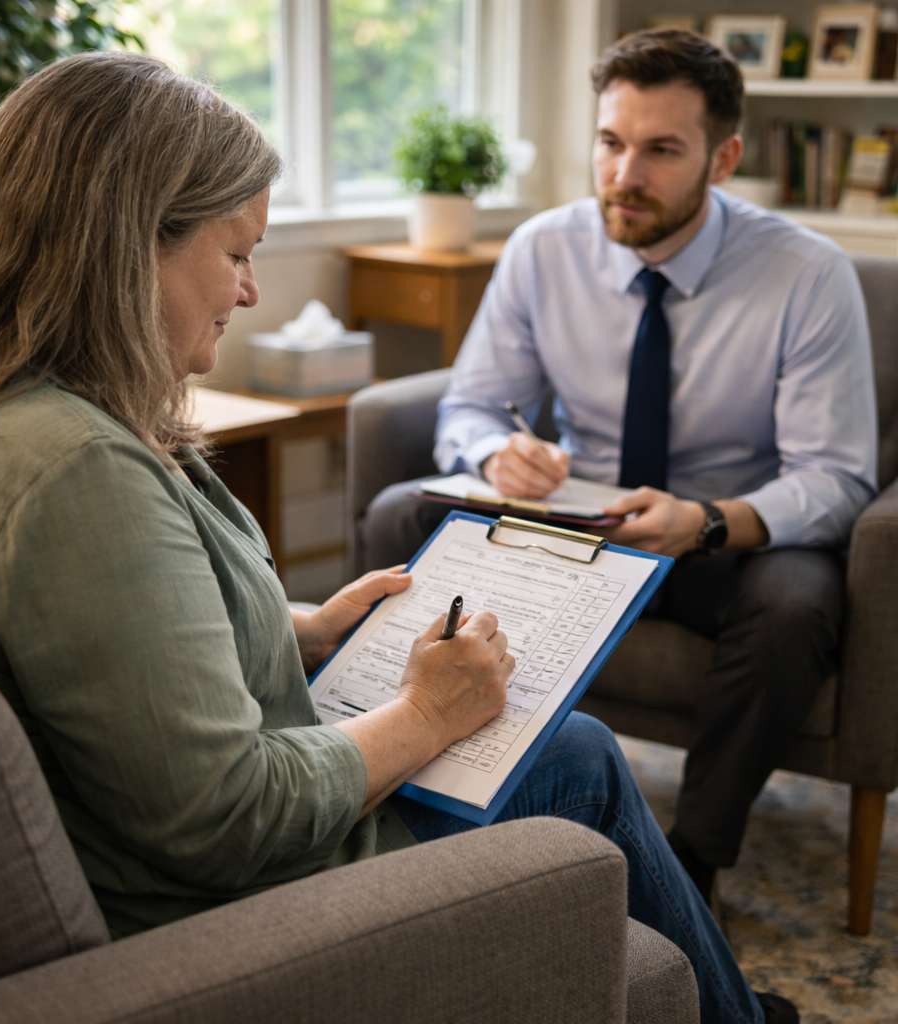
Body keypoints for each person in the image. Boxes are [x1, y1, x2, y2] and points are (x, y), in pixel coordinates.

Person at [0, 51, 792, 1024]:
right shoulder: (77, 474)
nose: (251, 291)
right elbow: (226, 818)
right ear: (125, 247)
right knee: (575, 752)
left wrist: (295, 629)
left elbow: (82, 646)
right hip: (226, 901)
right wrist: (424, 717)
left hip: (138, 844)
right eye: (234, 253)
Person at [364, 27, 877, 919]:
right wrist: (497, 452)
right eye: (610, 142)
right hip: (580, 522)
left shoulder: (807, 275)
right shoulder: (541, 249)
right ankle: (415, 794)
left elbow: (834, 476)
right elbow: (472, 407)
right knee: (395, 516)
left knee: (800, 603)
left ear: (723, 158)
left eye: (660, 150)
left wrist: (709, 521)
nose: (623, 174)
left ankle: (690, 865)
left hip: (727, 538)